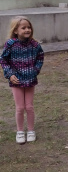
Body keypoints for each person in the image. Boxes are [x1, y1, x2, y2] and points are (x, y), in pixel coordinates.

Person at [0, 16, 44, 144]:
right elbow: (3, 60)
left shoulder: (34, 45)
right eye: (23, 28)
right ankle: (20, 131)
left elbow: (40, 57)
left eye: (29, 27)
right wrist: (9, 74)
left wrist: (35, 70)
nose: (27, 30)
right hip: (16, 81)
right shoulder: (10, 44)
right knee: (20, 107)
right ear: (16, 30)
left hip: (30, 80)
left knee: (29, 106)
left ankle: (31, 130)